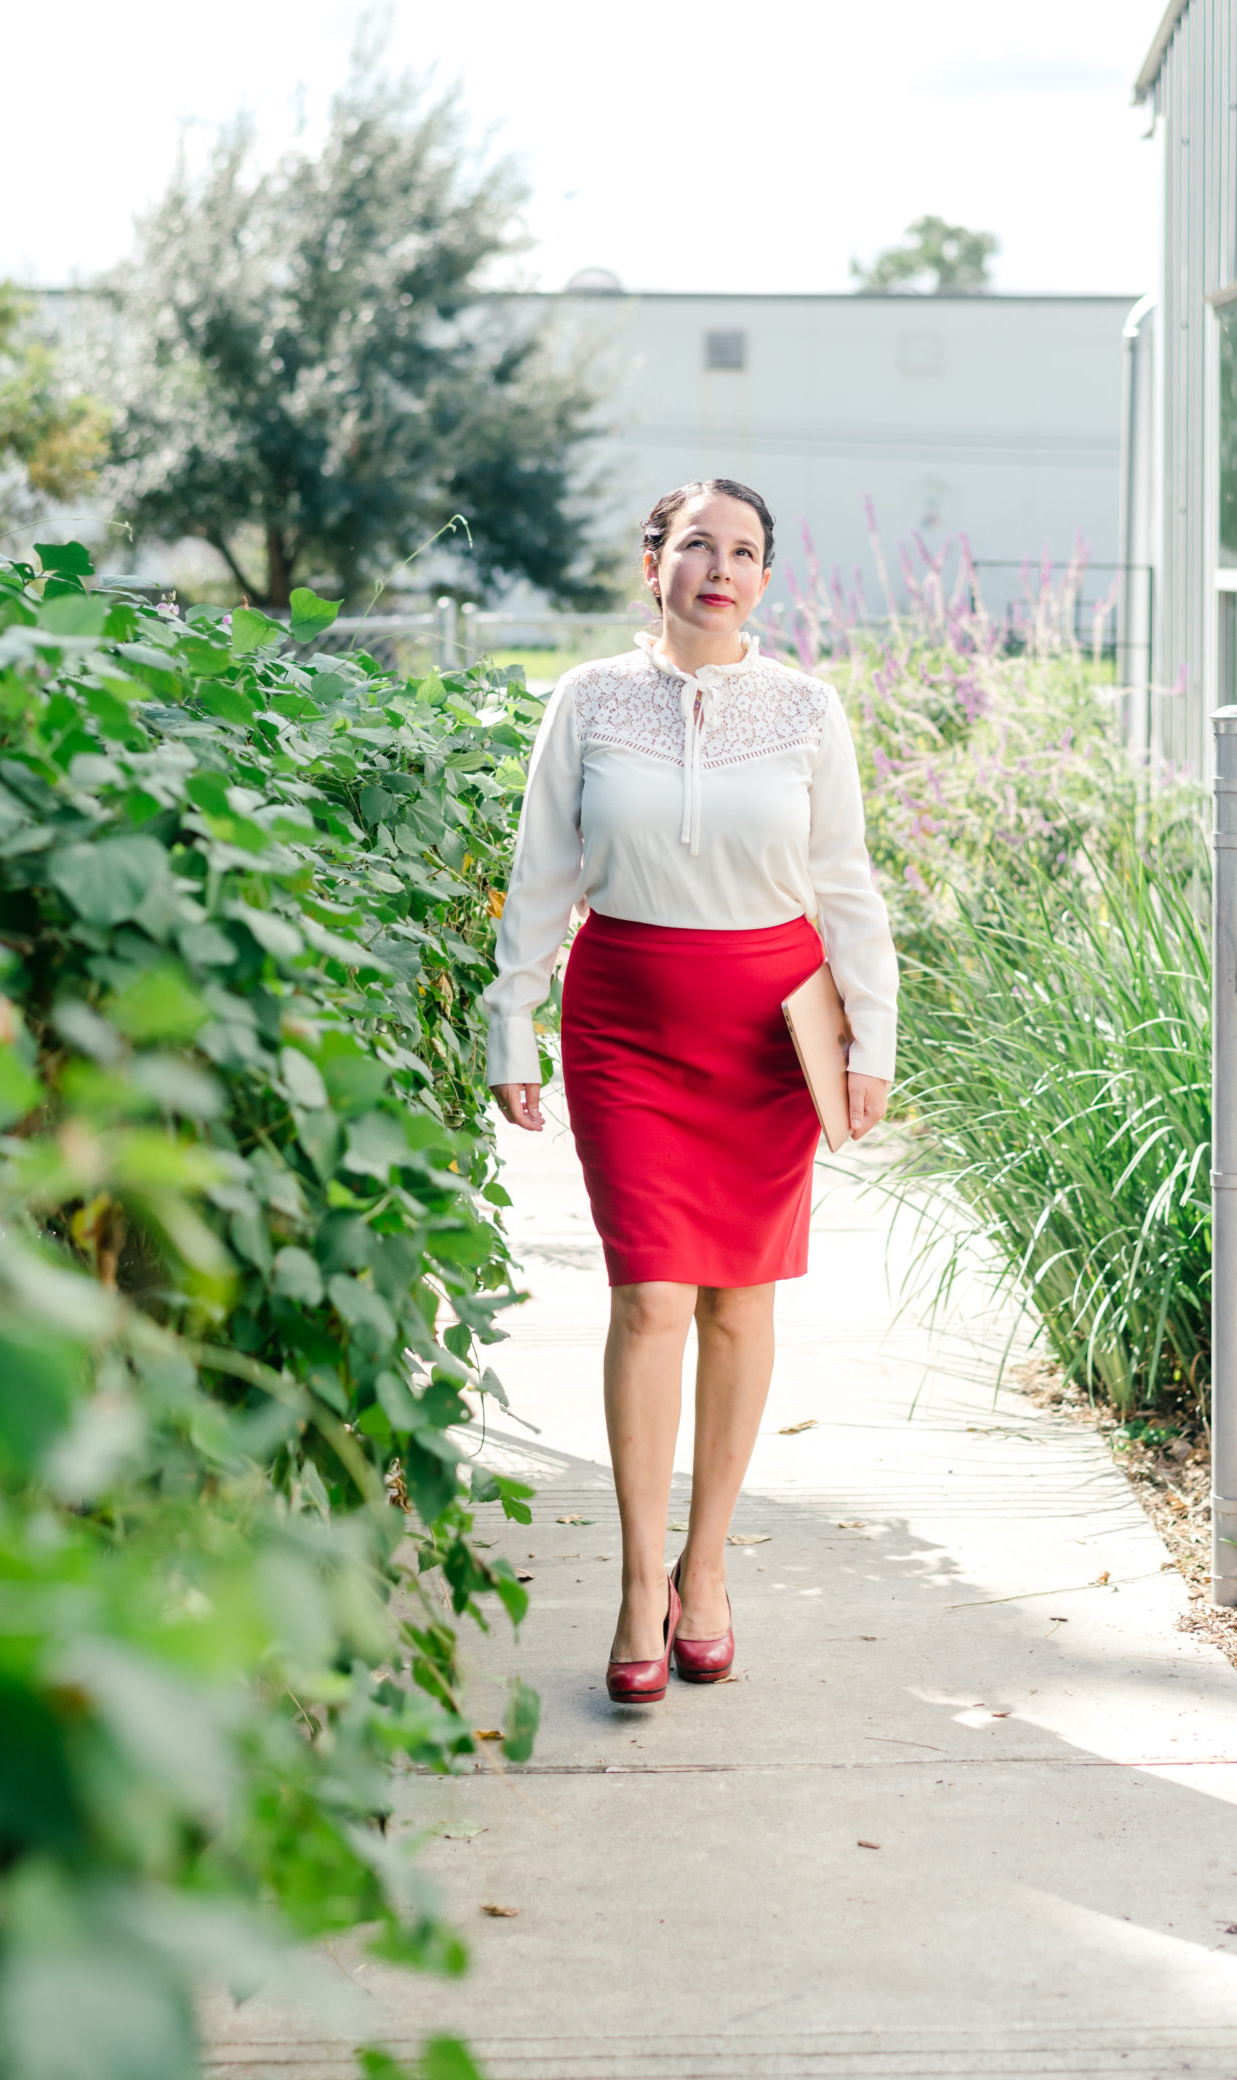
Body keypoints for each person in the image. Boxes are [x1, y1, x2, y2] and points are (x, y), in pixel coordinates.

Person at [485, 480, 897, 1705]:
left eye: (745, 551)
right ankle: (628, 1583)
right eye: (697, 545)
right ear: (651, 561)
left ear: (764, 579)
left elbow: (845, 881)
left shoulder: (805, 709)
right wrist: (512, 1024)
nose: (720, 567)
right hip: (623, 1019)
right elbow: (538, 870)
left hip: (769, 1030)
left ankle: (703, 1569)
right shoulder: (587, 698)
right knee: (652, 1294)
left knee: (736, 1302)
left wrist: (868, 1038)